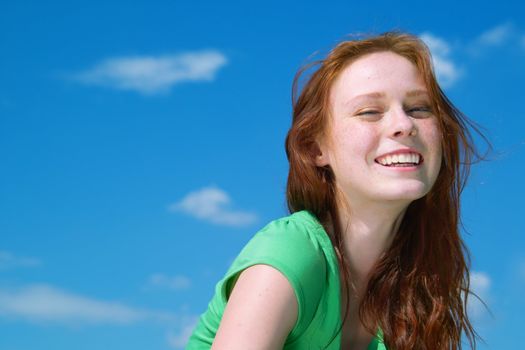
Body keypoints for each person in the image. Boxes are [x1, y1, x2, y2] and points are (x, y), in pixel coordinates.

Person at [186, 31, 488, 350]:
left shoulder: (419, 287)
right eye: (370, 111)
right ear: (316, 148)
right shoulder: (291, 252)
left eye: (419, 108)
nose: (404, 124)